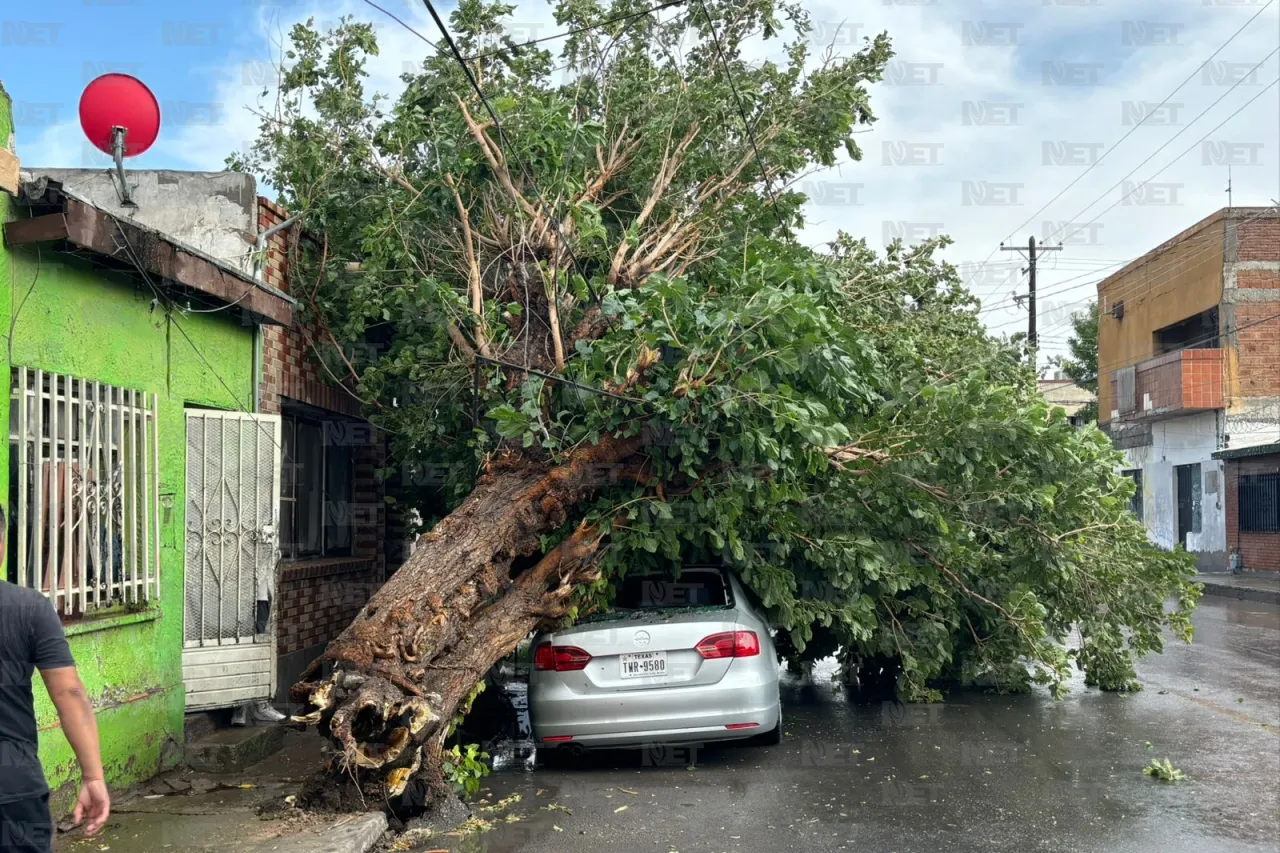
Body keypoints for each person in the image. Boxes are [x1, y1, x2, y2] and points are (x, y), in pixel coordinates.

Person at [0, 504, 110, 852]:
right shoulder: (28, 609)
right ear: (2, 545)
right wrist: (92, 776)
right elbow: (70, 693)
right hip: (12, 788)